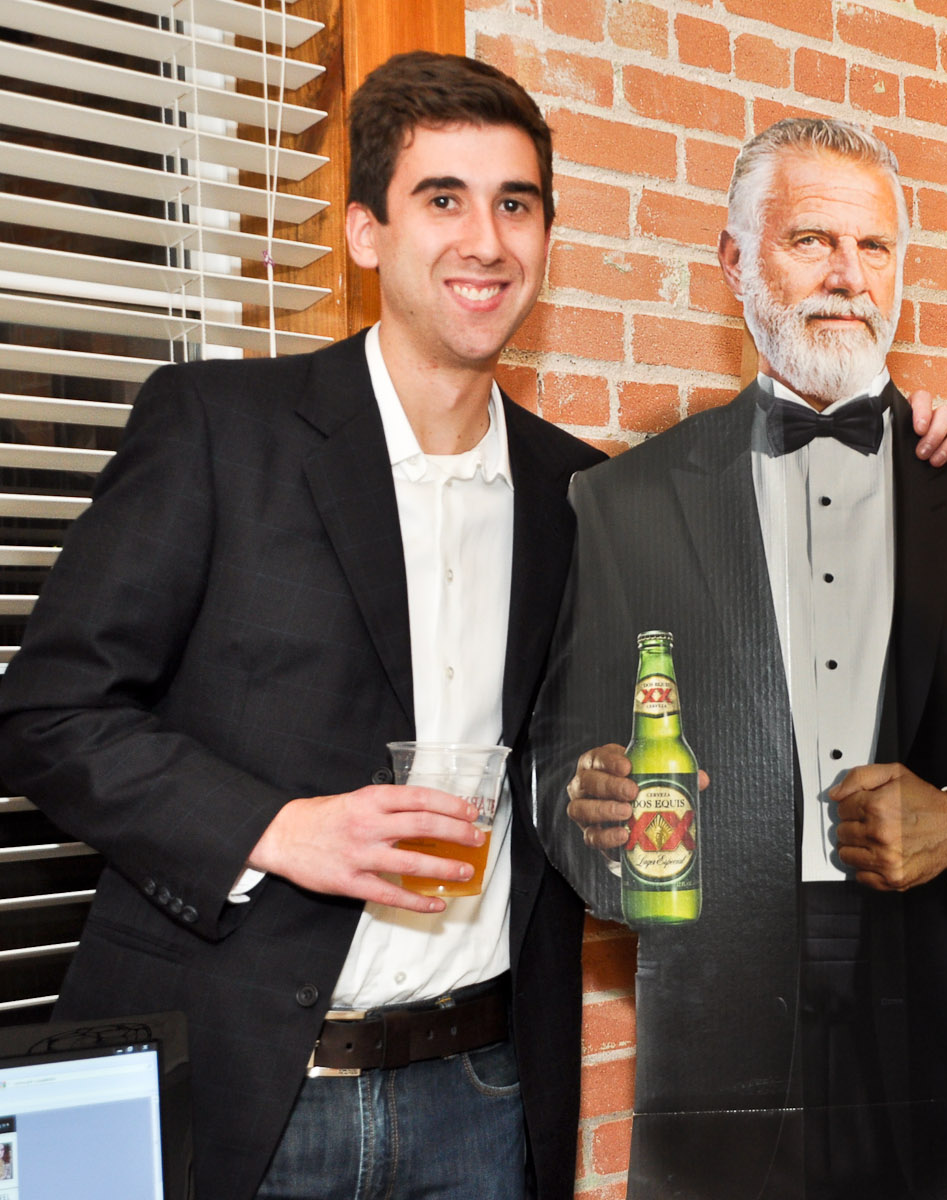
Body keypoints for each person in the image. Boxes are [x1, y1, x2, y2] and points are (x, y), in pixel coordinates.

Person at [0, 52, 606, 1200]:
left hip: (481, 1102)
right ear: (366, 233)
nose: (486, 240)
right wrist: (275, 830)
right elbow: (46, 714)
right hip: (235, 1088)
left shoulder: (583, 493)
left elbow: (579, 769)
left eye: (516, 204)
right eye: (444, 199)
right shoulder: (218, 428)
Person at [532, 117, 947, 1200]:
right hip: (718, 1022)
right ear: (733, 262)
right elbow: (556, 766)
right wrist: (592, 810)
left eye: (875, 248)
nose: (847, 276)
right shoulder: (623, 501)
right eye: (811, 240)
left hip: (946, 1024)